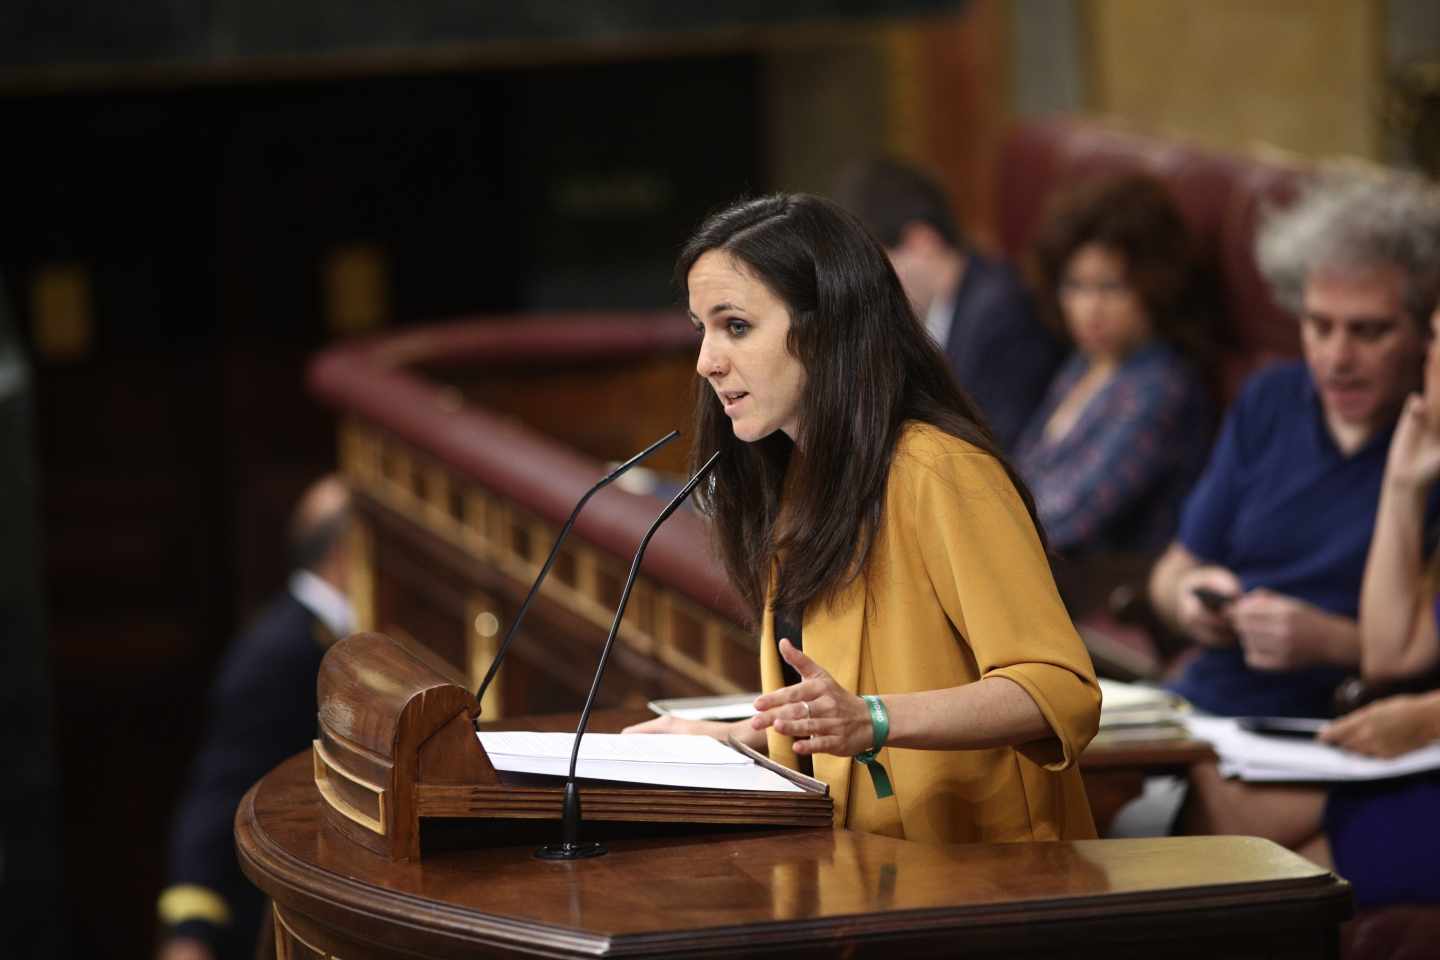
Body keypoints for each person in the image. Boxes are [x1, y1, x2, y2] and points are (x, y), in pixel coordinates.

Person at [626, 193, 1100, 844]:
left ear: (826, 329)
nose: (708, 360)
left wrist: (876, 719)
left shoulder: (938, 471)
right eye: (700, 328)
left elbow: (1059, 690)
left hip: (983, 882)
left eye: (734, 326)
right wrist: (731, 739)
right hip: (857, 873)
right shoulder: (795, 480)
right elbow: (835, 713)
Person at [1178, 302, 1440, 909]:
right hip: (1236, 701)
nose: (1432, 360)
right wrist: (1403, 484)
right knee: (1229, 822)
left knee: (1248, 851)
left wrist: (1430, 715)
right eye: (1431, 336)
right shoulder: (1274, 400)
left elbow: (1385, 666)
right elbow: (1391, 653)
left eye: (1370, 328)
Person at [1150, 175, 1440, 721]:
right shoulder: (1271, 399)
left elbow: (1418, 659)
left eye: (1369, 331)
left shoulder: (1428, 449)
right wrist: (1191, 598)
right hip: (1206, 704)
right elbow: (1169, 573)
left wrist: (1331, 642)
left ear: (1427, 332)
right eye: (1318, 325)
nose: (1336, 358)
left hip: (1332, 724)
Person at [156, 477, 355, 960]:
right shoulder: (280, 651)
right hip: (268, 924)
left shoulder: (328, 635)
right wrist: (191, 926)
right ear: (350, 550)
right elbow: (221, 786)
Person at [1014, 174, 1213, 555]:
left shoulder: (1162, 387)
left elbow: (1074, 516)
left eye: (1111, 287)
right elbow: (1023, 473)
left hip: (1099, 586)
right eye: (1076, 286)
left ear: (1154, 285)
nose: (1090, 309)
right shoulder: (1085, 363)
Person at [832, 158, 1063, 451]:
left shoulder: (1003, 313)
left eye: (875, 266)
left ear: (921, 242)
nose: (868, 288)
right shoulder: (940, 310)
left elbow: (995, 448)